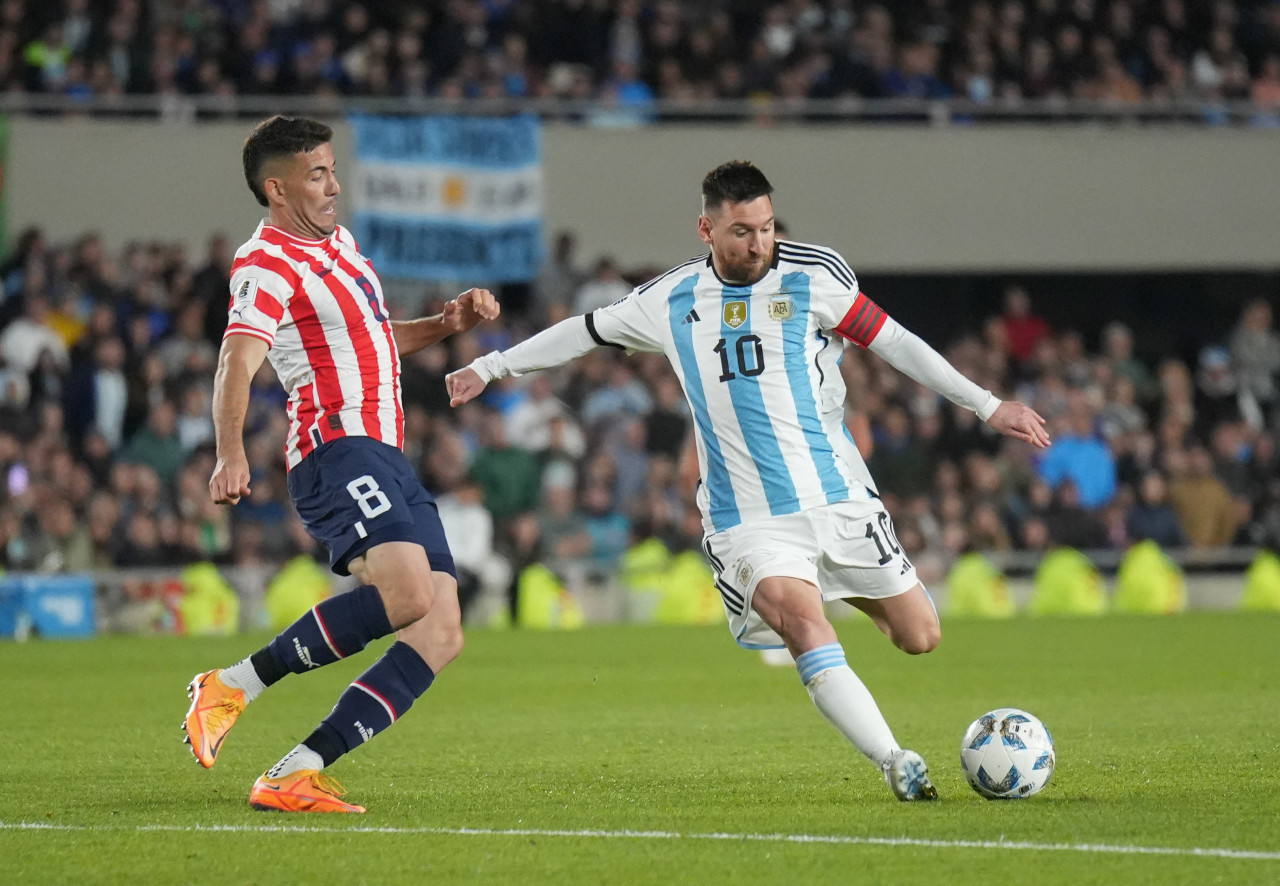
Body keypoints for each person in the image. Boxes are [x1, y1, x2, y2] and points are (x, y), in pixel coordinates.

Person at [446, 160, 1049, 802]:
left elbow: (897, 343)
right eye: (740, 231)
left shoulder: (812, 279)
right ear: (706, 228)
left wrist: (988, 405)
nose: (758, 243)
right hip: (747, 518)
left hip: (837, 495)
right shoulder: (670, 299)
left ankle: (821, 602)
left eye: (764, 228)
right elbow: (583, 333)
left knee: (919, 636)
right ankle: (893, 758)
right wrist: (493, 365)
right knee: (800, 622)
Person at [182, 116, 499, 814]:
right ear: (277, 188)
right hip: (335, 447)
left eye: (332, 169)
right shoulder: (264, 262)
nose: (334, 185)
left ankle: (296, 769)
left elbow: (375, 341)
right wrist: (230, 450)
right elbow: (239, 356)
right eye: (317, 174)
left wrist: (445, 327)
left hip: (385, 451)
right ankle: (234, 683)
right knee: (410, 593)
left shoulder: (341, 246)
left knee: (442, 628)